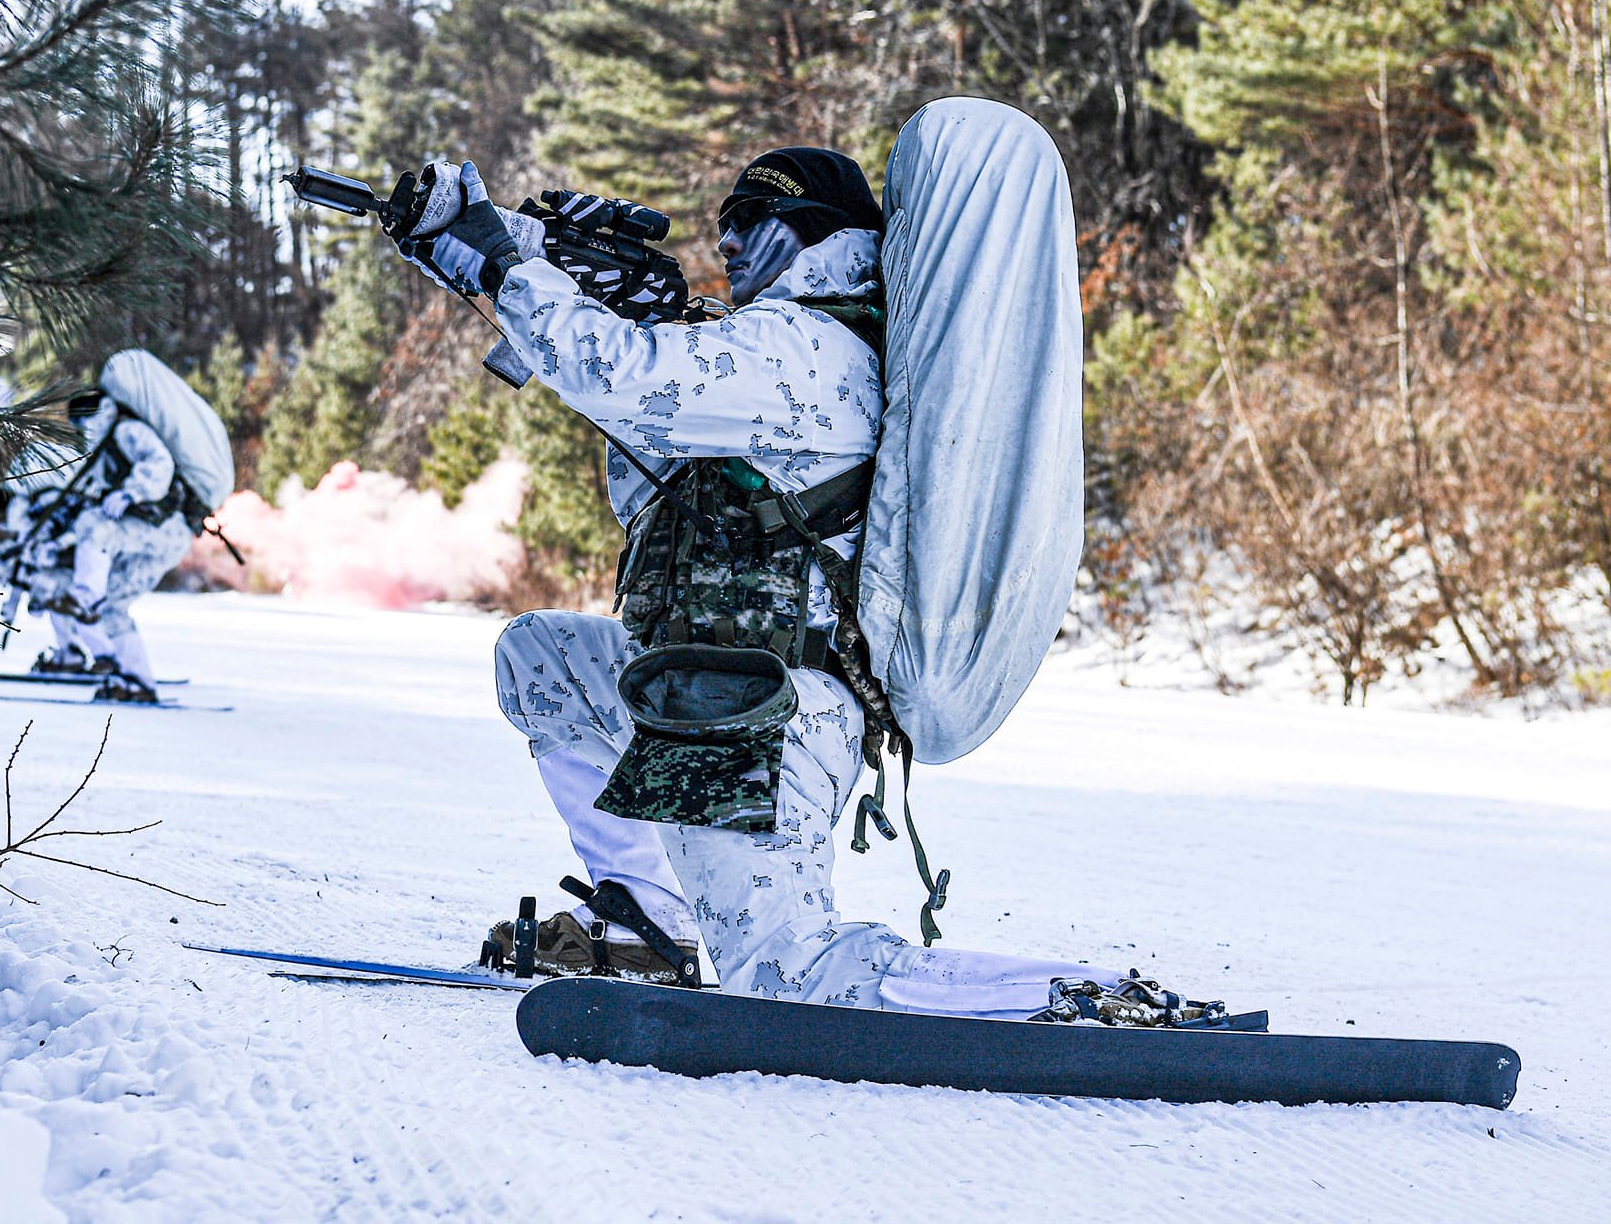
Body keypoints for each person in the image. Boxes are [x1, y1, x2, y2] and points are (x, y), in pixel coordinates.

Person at [410, 140, 1210, 1022]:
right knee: (544, 656)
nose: (731, 241)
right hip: (700, 691)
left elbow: (622, 378)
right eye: (725, 226)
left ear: (812, 233)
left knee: (787, 978)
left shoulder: (807, 350)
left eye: (753, 220)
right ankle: (644, 922)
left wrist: (509, 259)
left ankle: (1073, 995)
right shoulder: (761, 345)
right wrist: (563, 281)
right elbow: (645, 478)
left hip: (766, 722)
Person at [10, 387, 195, 704]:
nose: (80, 431)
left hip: (164, 529)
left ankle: (84, 597)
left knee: (95, 528)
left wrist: (131, 493)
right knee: (111, 608)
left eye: (81, 422)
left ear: (94, 414)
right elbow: (87, 515)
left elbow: (159, 462)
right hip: (141, 539)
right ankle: (136, 680)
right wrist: (58, 541)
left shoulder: (126, 431)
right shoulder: (99, 455)